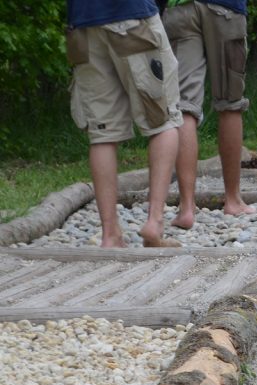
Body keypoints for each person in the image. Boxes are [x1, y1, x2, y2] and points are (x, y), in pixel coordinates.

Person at [66, 0, 182, 248]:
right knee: (164, 120)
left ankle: (110, 234)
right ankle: (154, 222)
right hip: (132, 16)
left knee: (102, 133)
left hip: (83, 24)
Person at [161, 0, 257, 230]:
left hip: (180, 9)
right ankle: (233, 200)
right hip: (225, 8)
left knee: (184, 106)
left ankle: (186, 207)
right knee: (230, 102)